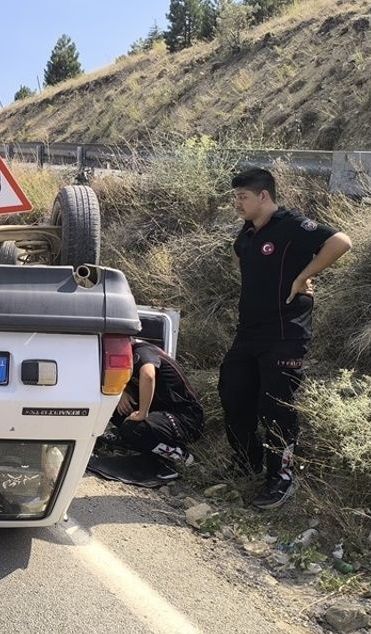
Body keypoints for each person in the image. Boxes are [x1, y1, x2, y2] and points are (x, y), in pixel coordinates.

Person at [221, 167, 352, 509]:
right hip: (249, 331)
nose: (237, 203)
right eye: (235, 197)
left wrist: (303, 277)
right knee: (233, 393)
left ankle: (281, 476)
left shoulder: (292, 225)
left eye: (242, 197)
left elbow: (341, 242)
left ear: (263, 196)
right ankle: (247, 462)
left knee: (275, 405)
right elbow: (240, 256)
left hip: (285, 334)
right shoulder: (247, 232)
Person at [109, 338, 204, 488]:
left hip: (186, 418)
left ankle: (181, 457)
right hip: (162, 412)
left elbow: (148, 375)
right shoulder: (124, 355)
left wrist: (142, 413)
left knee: (135, 428)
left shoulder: (143, 351)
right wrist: (122, 392)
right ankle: (145, 447)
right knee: (114, 405)